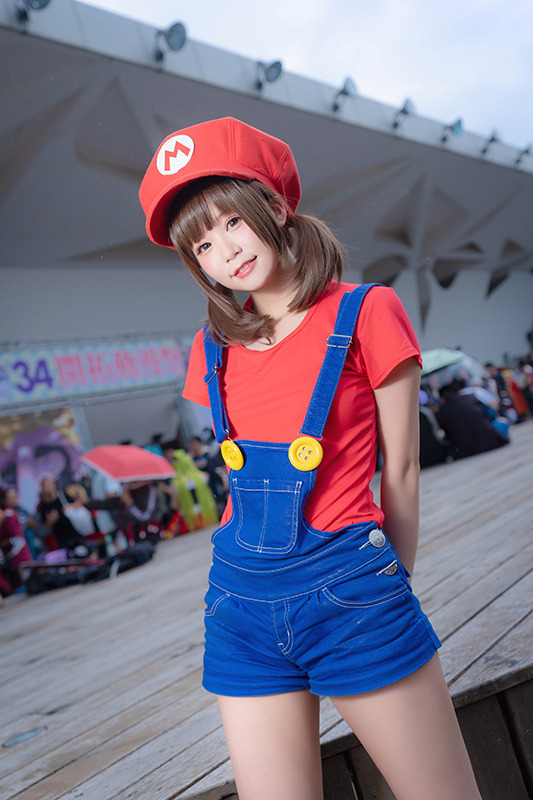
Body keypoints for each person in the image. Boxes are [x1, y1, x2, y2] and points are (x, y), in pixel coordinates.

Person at [139, 117, 482, 800]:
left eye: (231, 222)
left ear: (274, 205)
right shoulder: (210, 350)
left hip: (351, 591)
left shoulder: (366, 312)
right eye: (202, 245)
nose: (224, 252)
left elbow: (402, 471)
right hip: (236, 606)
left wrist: (390, 585)